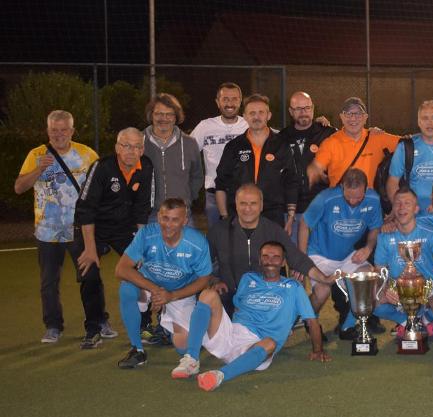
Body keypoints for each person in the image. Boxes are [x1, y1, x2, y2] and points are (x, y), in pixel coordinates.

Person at [170, 241, 330, 392]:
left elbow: (312, 321)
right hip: (230, 335)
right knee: (208, 294)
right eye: (266, 256)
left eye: (276, 257)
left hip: (255, 346)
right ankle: (191, 359)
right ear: (260, 260)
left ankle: (219, 375)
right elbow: (238, 307)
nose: (270, 261)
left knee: (270, 343)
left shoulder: (293, 287)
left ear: (283, 262)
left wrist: (318, 350)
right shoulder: (248, 278)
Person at [14, 110, 115, 344]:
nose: (59, 135)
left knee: (90, 277)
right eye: (54, 130)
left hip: (80, 230)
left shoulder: (86, 154)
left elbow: (101, 187)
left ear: (72, 131)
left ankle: (99, 320)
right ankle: (53, 326)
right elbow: (19, 187)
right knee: (49, 282)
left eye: (63, 130)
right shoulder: (36, 154)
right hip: (47, 232)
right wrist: (39, 169)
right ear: (47, 131)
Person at [73, 127, 154, 349]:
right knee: (88, 272)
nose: (131, 151)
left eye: (137, 146)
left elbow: (142, 209)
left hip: (124, 227)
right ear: (117, 147)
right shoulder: (101, 167)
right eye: (126, 145)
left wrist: (141, 247)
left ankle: (144, 324)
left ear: (142, 149)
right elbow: (85, 209)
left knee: (142, 268)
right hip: (93, 227)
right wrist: (90, 248)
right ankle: (94, 327)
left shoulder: (146, 166)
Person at [114, 198, 213, 369]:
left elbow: (204, 279)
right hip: (149, 285)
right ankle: (137, 349)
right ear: (159, 216)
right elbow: (121, 269)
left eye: (175, 220)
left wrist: (171, 296)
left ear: (185, 221)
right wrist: (155, 290)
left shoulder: (197, 242)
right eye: (165, 218)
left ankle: (168, 325)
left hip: (179, 293)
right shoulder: (146, 234)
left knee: (183, 347)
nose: (168, 224)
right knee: (127, 289)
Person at [207, 183, 330, 319]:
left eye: (253, 203)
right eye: (243, 203)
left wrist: (323, 278)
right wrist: (214, 280)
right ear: (236, 205)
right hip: (230, 295)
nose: (247, 208)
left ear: (261, 206)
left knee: (289, 303)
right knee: (209, 299)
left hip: (265, 296)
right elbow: (202, 264)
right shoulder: (219, 231)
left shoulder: (273, 231)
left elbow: (296, 257)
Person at [298, 168, 383, 338]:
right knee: (322, 291)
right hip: (320, 255)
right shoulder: (326, 198)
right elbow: (304, 224)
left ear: (366, 189)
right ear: (342, 187)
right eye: (348, 196)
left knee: (367, 280)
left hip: (347, 256)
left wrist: (368, 248)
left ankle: (347, 326)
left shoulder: (374, 199)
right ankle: (310, 322)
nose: (352, 201)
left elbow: (375, 228)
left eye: (358, 197)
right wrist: (301, 260)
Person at [215, 94, 299, 229]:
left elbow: (291, 180)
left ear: (268, 115)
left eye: (261, 112)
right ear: (245, 116)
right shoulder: (233, 146)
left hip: (273, 214)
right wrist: (224, 216)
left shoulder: (282, 144)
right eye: (252, 113)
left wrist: (290, 215)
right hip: (239, 214)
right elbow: (221, 183)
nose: (257, 117)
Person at [373, 187, 433, 338]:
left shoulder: (431, 234)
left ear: (416, 209)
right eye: (398, 203)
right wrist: (385, 288)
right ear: (393, 208)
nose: (401, 207)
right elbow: (379, 269)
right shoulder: (385, 236)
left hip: (431, 285)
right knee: (369, 301)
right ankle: (406, 321)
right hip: (400, 287)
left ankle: (426, 319)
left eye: (407, 203)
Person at [279, 91, 337, 239]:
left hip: (323, 208)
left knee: (322, 251)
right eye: (298, 109)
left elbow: (352, 137)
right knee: (295, 251)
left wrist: (373, 131)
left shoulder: (328, 134)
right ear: (291, 111)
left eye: (307, 108)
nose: (303, 112)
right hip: (292, 211)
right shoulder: (281, 138)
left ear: (313, 108)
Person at [190, 82, 249, 228]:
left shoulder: (249, 124)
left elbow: (274, 137)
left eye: (234, 99)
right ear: (217, 102)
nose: (230, 103)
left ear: (240, 101)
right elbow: (186, 152)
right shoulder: (205, 126)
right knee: (217, 237)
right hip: (214, 194)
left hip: (245, 194)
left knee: (244, 236)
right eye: (225, 99)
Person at [307, 97, 399, 189]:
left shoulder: (378, 137)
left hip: (370, 197)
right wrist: (315, 171)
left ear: (365, 118)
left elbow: (406, 143)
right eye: (348, 114)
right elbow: (316, 166)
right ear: (342, 117)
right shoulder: (330, 143)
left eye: (358, 114)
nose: (353, 118)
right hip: (340, 197)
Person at [142, 92, 203, 223]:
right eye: (159, 114)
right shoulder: (138, 143)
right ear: (151, 115)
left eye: (169, 114)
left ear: (176, 117)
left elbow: (197, 176)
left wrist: (186, 200)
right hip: (149, 215)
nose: (164, 118)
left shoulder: (190, 143)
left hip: (181, 214)